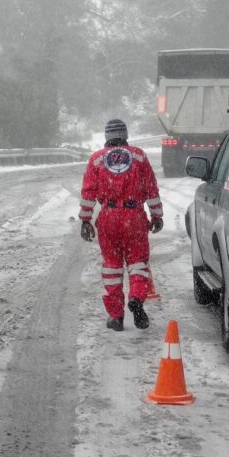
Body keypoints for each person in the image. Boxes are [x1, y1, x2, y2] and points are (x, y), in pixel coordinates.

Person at [78, 118, 164, 331]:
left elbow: (89, 192)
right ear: (125, 135)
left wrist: (85, 220)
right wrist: (156, 215)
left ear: (106, 136)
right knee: (138, 262)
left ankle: (116, 316)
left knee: (112, 266)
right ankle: (136, 297)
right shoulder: (139, 156)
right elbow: (151, 188)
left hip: (109, 217)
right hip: (134, 217)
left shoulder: (96, 159)